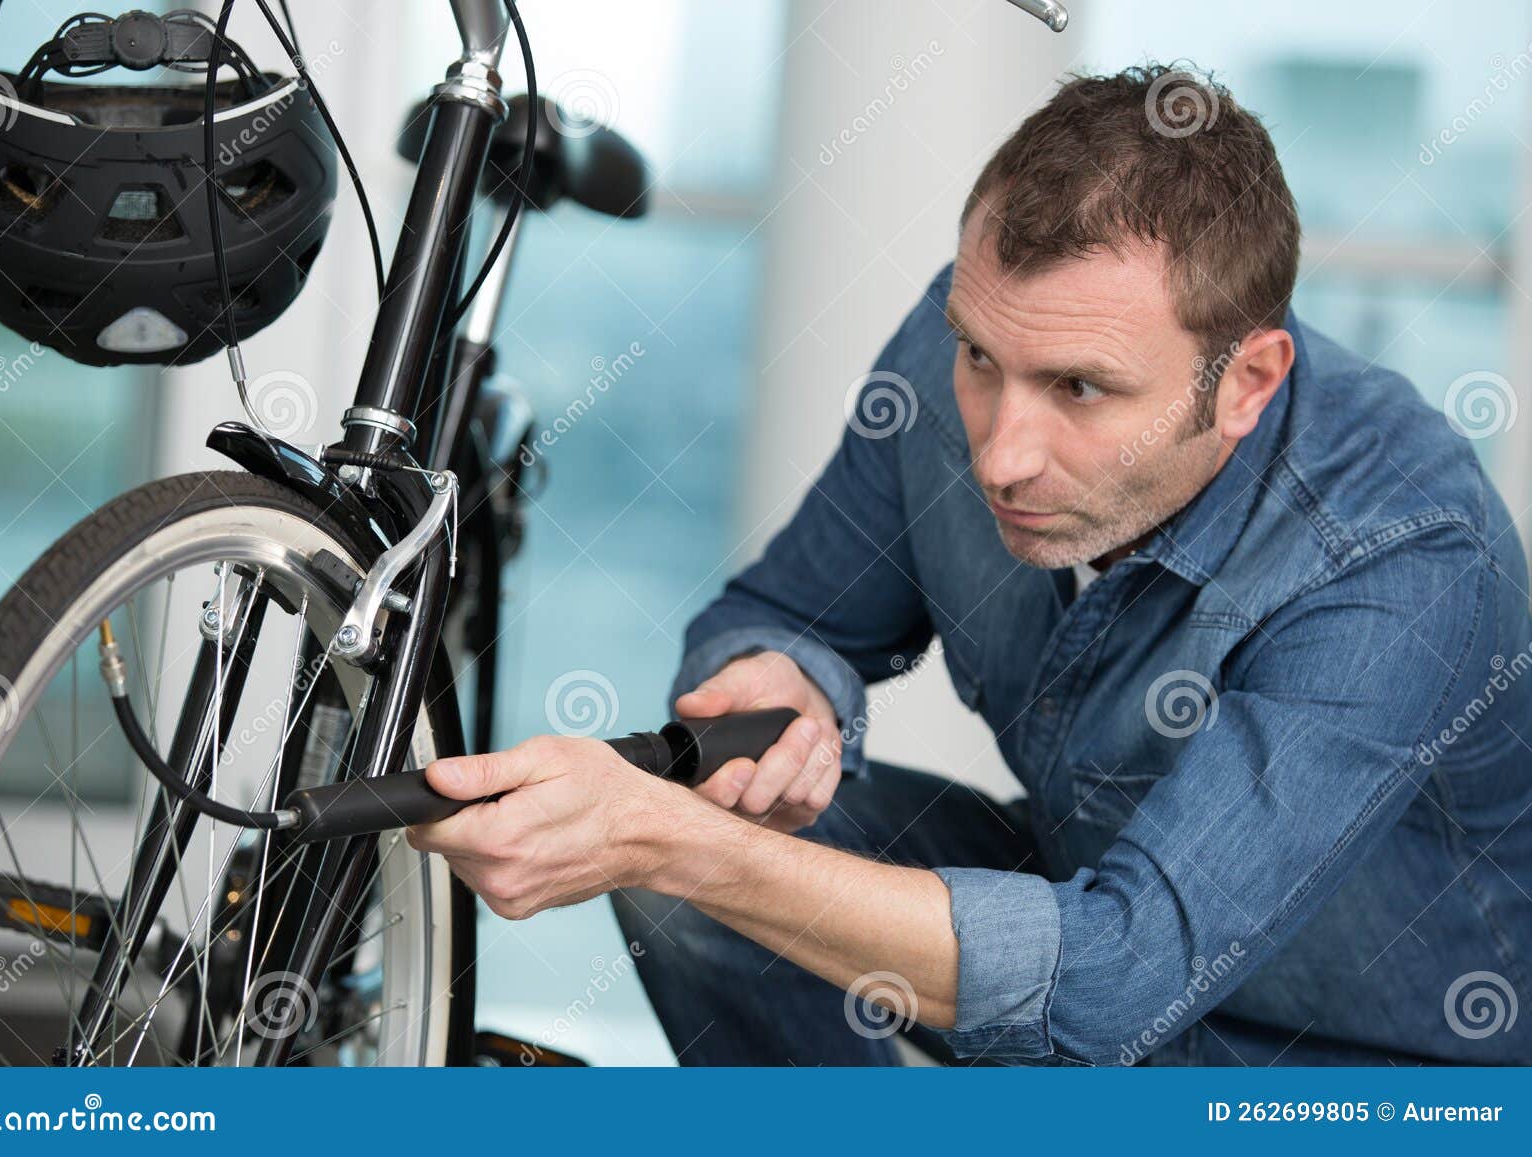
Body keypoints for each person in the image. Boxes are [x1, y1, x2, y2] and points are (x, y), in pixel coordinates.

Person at [407, 65, 1532, 1066]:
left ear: (1246, 381)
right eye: (982, 359)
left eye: (1081, 390)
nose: (1000, 450)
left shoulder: (1403, 556)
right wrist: (779, 680)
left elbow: (1117, 983)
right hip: (1080, 896)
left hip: (1345, 1066)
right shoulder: (967, 340)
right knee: (704, 825)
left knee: (687, 847)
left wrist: (671, 842)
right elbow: (788, 609)